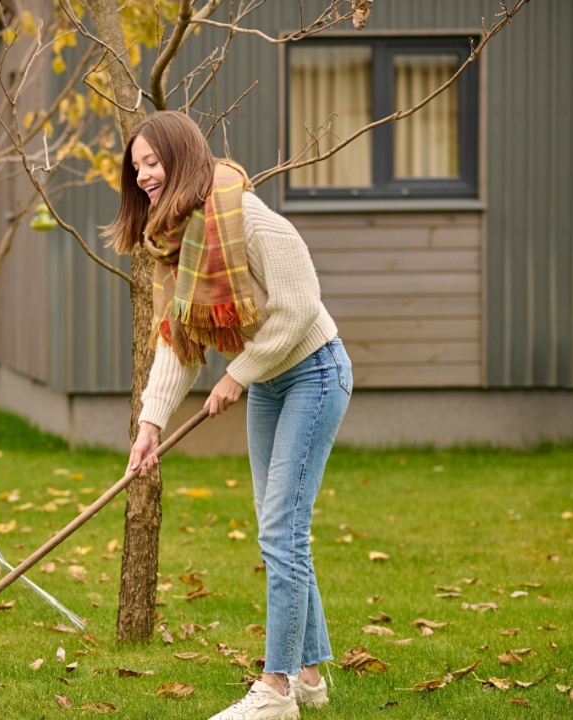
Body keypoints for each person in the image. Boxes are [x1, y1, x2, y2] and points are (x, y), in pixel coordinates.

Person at [112, 112, 351, 720]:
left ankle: (274, 692)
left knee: (281, 531)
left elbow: (300, 306)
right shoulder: (179, 240)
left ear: (183, 157)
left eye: (153, 162)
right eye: (136, 166)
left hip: (314, 372)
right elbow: (177, 340)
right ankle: (310, 676)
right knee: (282, 528)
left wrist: (237, 375)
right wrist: (150, 424)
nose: (143, 176)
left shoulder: (246, 218)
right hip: (270, 382)